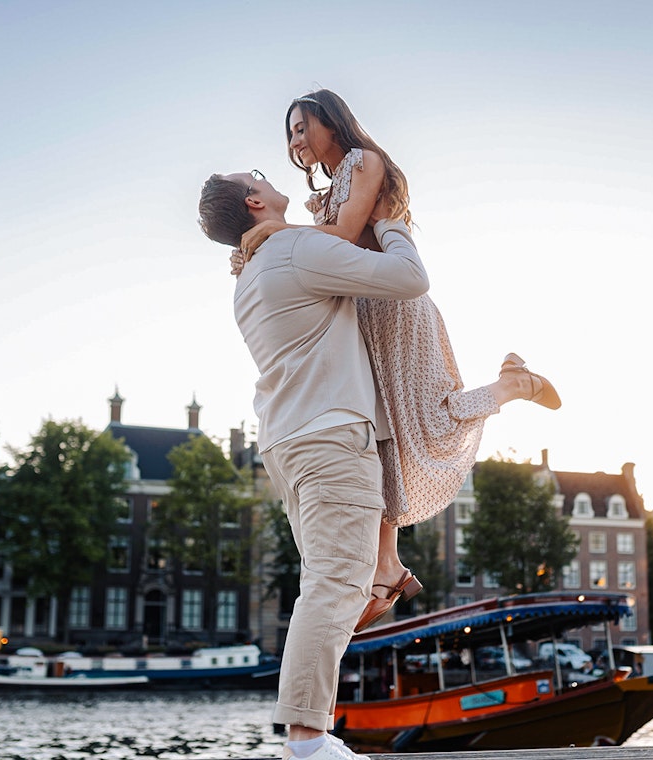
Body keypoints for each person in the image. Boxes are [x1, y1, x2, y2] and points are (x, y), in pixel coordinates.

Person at [234, 89, 561, 631]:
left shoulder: (364, 162)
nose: (293, 139)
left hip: (394, 310)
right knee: (382, 439)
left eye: (300, 126)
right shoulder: (324, 193)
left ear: (331, 122)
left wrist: (273, 232)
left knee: (425, 421)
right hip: (359, 313)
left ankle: (513, 386)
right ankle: (387, 566)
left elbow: (342, 238)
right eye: (288, 132)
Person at [198, 169, 428, 760]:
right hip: (329, 436)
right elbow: (408, 279)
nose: (270, 175)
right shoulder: (294, 248)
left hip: (288, 442)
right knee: (334, 582)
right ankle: (307, 740)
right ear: (254, 201)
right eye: (259, 176)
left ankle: (310, 733)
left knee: (331, 580)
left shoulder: (248, 277)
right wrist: (393, 224)